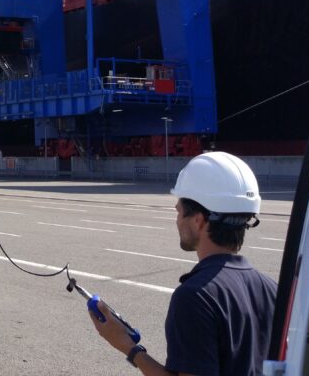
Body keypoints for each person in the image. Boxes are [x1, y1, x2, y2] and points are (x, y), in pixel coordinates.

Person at [89, 151, 277, 375]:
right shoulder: (271, 289)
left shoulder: (195, 297)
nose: (176, 220)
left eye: (179, 212)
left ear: (198, 220)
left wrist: (128, 347)